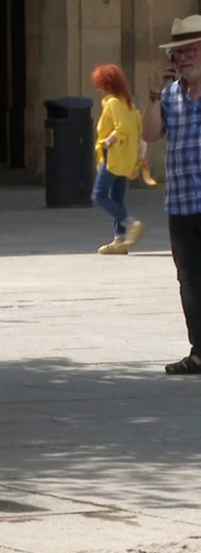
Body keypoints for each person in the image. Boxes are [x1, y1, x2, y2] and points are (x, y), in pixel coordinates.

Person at [142, 14, 201, 375]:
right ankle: (199, 353)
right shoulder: (170, 95)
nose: (183, 59)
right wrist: (152, 92)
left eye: (190, 50)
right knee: (190, 281)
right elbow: (150, 134)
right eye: (178, 53)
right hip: (181, 203)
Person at [91, 64, 146, 255]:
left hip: (114, 157)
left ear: (107, 84)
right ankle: (120, 239)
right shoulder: (129, 105)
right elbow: (138, 129)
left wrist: (107, 142)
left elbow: (120, 129)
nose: (97, 89)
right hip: (127, 159)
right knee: (117, 197)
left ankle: (131, 223)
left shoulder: (113, 103)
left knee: (99, 195)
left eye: (99, 84)